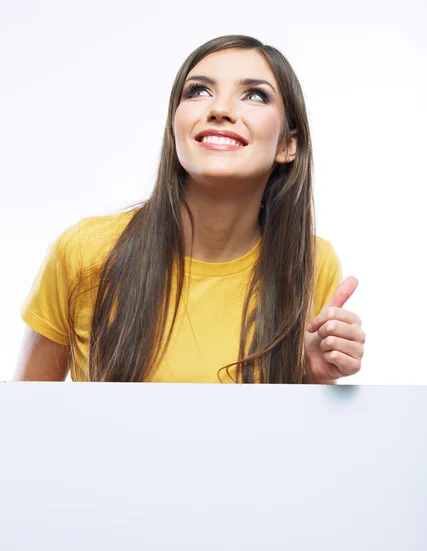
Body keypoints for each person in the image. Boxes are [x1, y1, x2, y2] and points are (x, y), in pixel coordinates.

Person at [13, 34, 365, 383]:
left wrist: (314, 378)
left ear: (288, 145)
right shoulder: (83, 251)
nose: (221, 110)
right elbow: (25, 420)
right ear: (175, 126)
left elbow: (301, 436)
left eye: (254, 95)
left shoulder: (310, 263)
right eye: (198, 91)